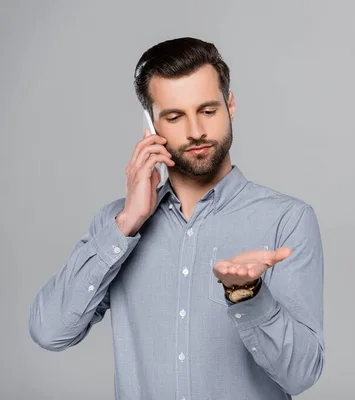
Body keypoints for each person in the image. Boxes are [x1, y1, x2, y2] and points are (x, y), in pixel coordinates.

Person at [29, 37, 325, 400]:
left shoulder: (288, 220)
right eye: (174, 116)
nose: (196, 131)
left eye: (208, 110)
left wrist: (248, 295)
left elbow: (302, 375)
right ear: (150, 125)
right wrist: (126, 225)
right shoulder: (117, 226)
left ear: (230, 106)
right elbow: (50, 331)